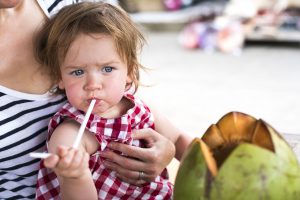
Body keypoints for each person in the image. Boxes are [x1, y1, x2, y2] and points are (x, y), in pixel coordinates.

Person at [0, 0, 192, 199]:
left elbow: (179, 140)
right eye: (78, 72)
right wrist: (76, 176)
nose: (93, 83)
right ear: (60, 78)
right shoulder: (69, 135)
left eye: (107, 69)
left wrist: (201, 165)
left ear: (130, 72)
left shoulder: (139, 109)